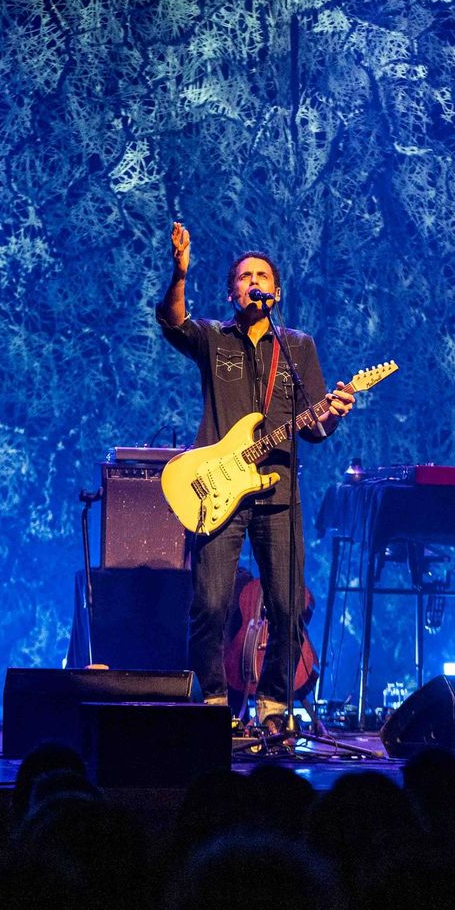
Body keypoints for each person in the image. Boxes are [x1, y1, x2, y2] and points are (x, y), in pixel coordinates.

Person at [156, 221, 355, 730]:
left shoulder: (297, 347)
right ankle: (214, 704)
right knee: (211, 602)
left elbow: (313, 426)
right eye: (244, 276)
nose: (253, 282)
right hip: (218, 489)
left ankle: (273, 705)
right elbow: (172, 319)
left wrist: (332, 412)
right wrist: (179, 272)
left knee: (289, 606)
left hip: (279, 491)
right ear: (232, 292)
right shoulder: (214, 338)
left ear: (276, 291)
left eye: (262, 276)